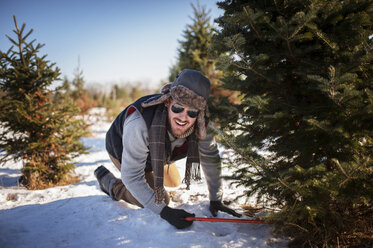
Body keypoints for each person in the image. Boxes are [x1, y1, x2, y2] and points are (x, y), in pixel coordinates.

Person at [94, 69, 241, 229]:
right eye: (178, 108)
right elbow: (132, 177)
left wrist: (215, 198)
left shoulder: (202, 127)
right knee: (161, 199)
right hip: (121, 148)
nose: (183, 118)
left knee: (174, 181)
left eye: (191, 112)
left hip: (160, 155)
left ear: (199, 114)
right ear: (167, 102)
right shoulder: (140, 121)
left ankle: (153, 172)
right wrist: (164, 212)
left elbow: (211, 159)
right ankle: (111, 185)